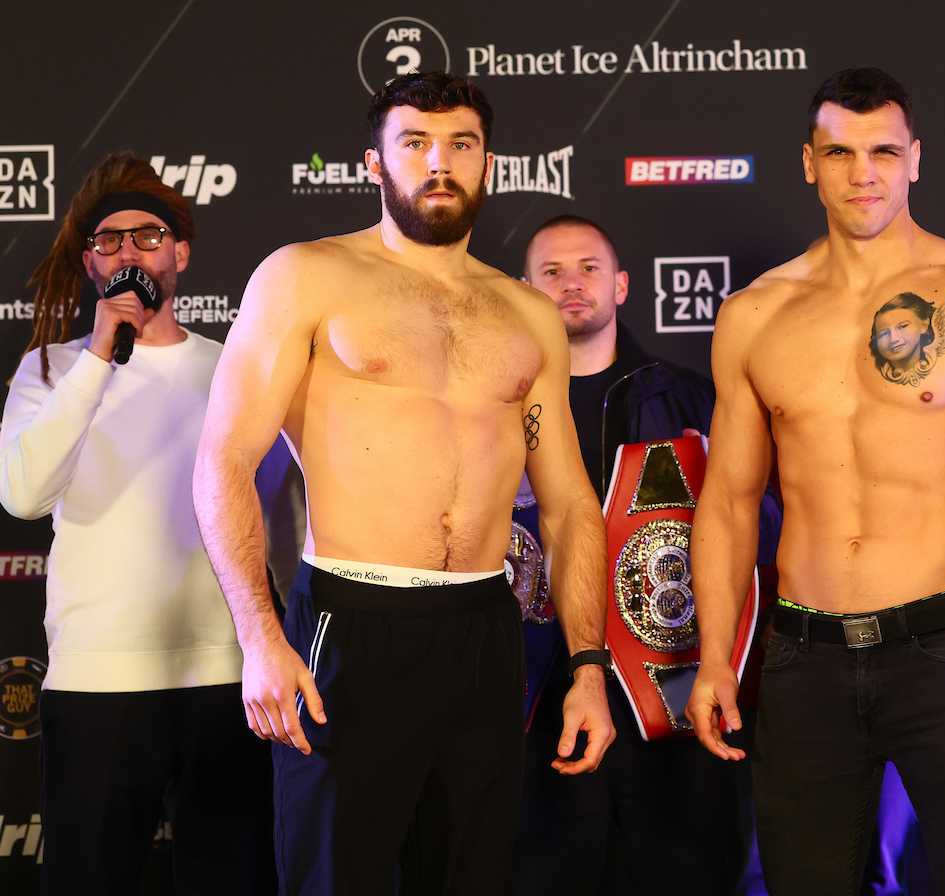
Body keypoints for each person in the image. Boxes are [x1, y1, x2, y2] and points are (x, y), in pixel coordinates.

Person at [191, 72, 614, 895]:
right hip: (350, 625)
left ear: (488, 162)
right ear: (374, 163)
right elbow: (225, 460)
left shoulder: (528, 314)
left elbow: (567, 506)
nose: (440, 162)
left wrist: (588, 667)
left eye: (461, 144)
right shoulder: (306, 276)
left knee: (470, 877)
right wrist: (258, 636)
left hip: (483, 633)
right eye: (415, 142)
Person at [685, 67, 945, 895]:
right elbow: (728, 501)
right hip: (804, 658)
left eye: (884, 152)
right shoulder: (755, 314)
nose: (864, 173)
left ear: (916, 160)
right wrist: (715, 657)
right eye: (841, 153)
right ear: (809, 163)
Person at [0, 153, 274, 895]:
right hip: (98, 683)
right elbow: (24, 495)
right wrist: (97, 357)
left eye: (147, 236)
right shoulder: (51, 371)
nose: (129, 253)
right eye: (110, 241)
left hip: (227, 678)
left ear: (180, 251)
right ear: (91, 264)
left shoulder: (237, 370)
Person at [514, 214, 778, 895]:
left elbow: (756, 537)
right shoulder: (498, 407)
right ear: (524, 289)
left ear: (623, 285)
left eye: (589, 268)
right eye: (551, 272)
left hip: (677, 691)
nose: (572, 284)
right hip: (544, 694)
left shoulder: (692, 398)